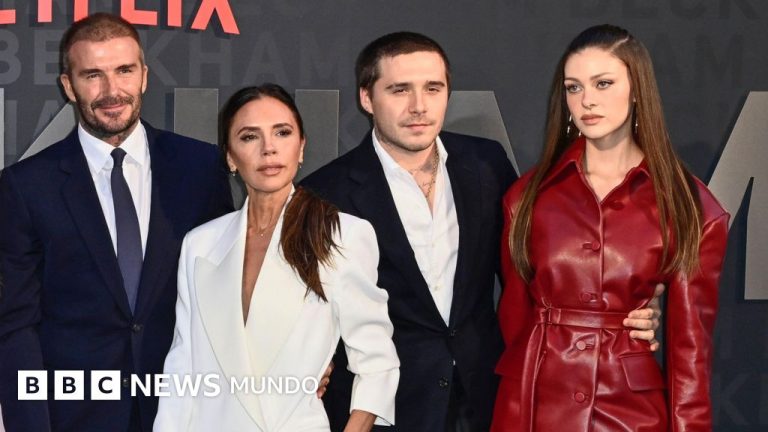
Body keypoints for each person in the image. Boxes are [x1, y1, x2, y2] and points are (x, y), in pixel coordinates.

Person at [301, 31, 661, 432]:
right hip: (387, 408)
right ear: (367, 98)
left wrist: (630, 309)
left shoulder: (485, 163)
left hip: (483, 398)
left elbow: (533, 272)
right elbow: (304, 308)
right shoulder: (323, 194)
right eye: (399, 90)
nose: (419, 106)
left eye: (433, 88)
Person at [491, 24, 730, 431]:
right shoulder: (527, 196)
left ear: (637, 89)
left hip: (629, 412)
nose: (587, 100)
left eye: (603, 83)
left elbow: (690, 354)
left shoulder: (690, 206)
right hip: (533, 406)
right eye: (574, 87)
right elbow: (514, 319)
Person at [0, 13, 232, 432]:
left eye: (124, 70)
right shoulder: (26, 186)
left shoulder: (199, 168)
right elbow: (18, 325)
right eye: (93, 75)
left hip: (183, 411)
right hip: (76, 416)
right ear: (68, 86)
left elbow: (226, 295)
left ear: (144, 76)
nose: (111, 91)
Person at [153, 84, 399, 432]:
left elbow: (377, 362)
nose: (269, 148)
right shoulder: (201, 244)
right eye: (249, 137)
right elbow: (183, 366)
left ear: (301, 147)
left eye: (282, 133)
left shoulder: (340, 235)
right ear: (230, 158)